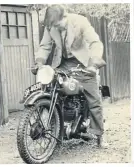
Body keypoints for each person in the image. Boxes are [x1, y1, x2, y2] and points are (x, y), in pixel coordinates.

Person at [34, 5, 108, 148]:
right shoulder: (51, 26)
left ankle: (100, 136)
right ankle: (57, 129)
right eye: (53, 26)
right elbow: (45, 46)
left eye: (58, 25)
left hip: (83, 63)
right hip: (62, 63)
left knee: (93, 100)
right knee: (50, 89)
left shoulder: (81, 22)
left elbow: (95, 43)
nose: (56, 28)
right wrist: (39, 62)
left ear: (65, 17)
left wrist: (93, 65)